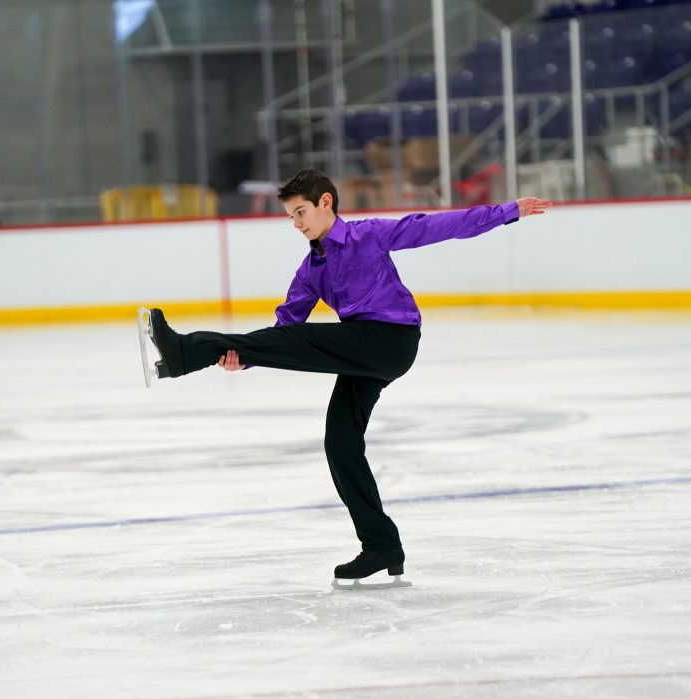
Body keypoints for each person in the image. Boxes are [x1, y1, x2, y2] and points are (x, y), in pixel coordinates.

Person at [144, 169, 552, 587]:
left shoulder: (368, 235)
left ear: (326, 203)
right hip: (362, 353)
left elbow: (437, 227)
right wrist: (244, 359)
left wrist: (507, 212)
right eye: (290, 217)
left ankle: (186, 352)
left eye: (301, 212)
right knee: (340, 442)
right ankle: (381, 545)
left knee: (301, 342)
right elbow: (285, 330)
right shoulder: (311, 269)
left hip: (390, 339)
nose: (297, 224)